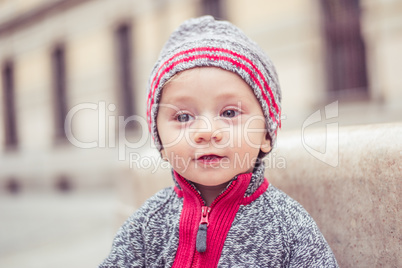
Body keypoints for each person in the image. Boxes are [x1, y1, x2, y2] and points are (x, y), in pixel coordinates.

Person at [100, 16, 338, 267]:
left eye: (229, 113)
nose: (206, 131)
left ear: (267, 134)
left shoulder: (288, 227)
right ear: (161, 143)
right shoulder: (147, 226)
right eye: (183, 117)